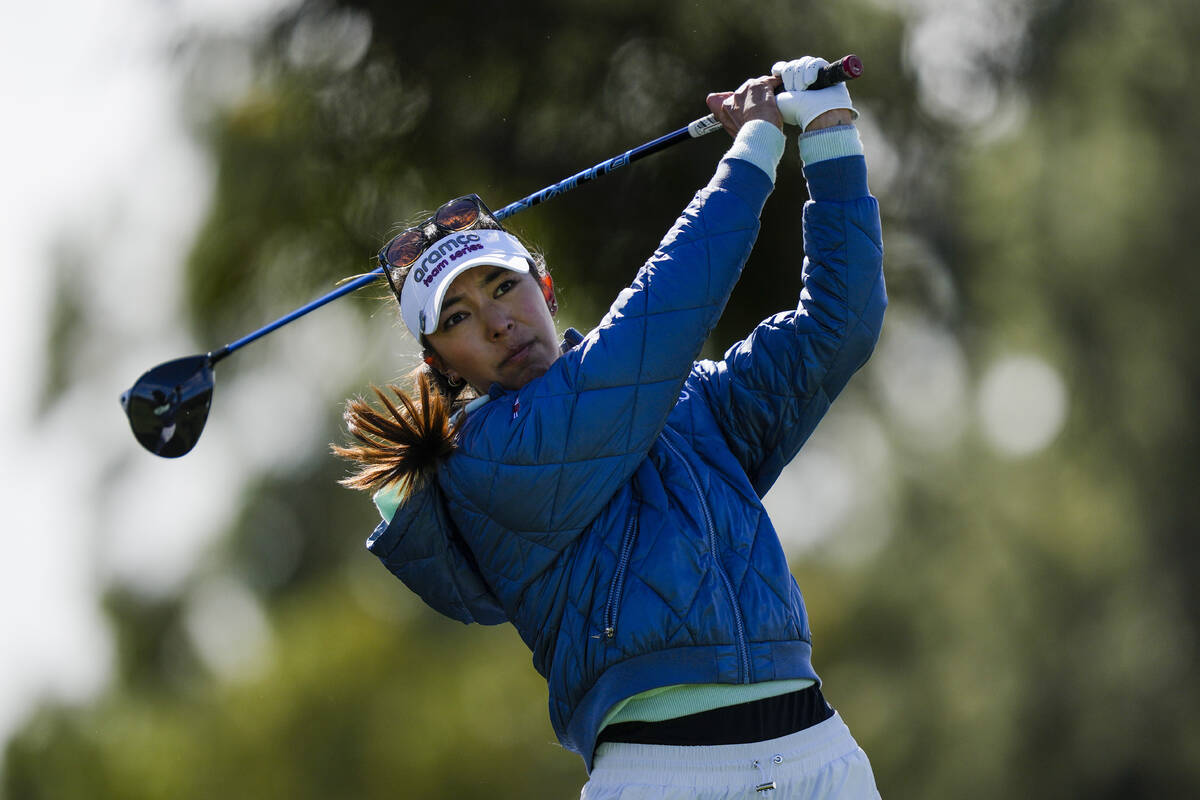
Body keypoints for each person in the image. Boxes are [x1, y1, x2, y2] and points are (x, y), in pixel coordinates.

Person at [334, 56, 886, 799]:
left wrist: (827, 129)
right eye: (460, 318)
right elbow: (654, 329)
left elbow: (839, 327)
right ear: (441, 361)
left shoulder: (691, 399)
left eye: (505, 286)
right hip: (664, 778)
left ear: (545, 287)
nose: (497, 321)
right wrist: (752, 151)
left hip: (820, 754)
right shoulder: (483, 462)